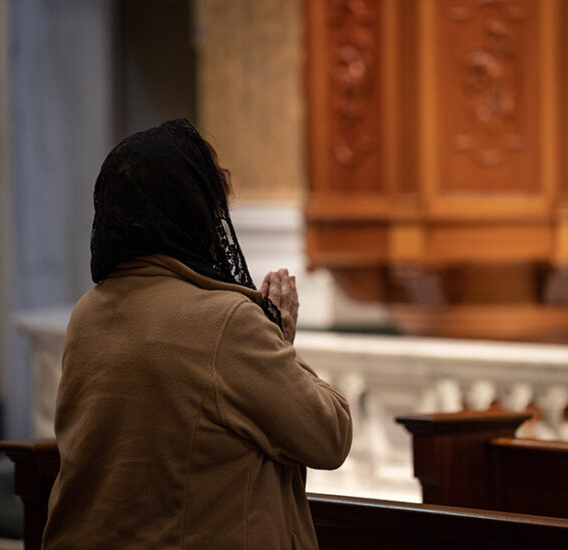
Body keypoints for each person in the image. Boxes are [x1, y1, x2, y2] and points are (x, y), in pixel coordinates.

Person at [41, 119, 352, 549]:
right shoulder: (225, 321)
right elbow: (329, 435)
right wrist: (278, 336)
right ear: (196, 216)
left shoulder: (88, 314)